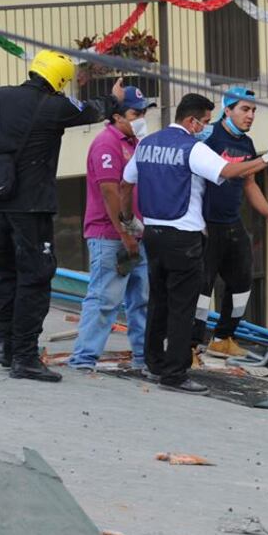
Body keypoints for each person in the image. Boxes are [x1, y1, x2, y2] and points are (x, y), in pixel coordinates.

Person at [0, 50, 125, 382]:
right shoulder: (55, 106)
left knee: (5, 272)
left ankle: (4, 347)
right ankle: (24, 357)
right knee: (35, 277)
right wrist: (114, 99)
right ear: (59, 81)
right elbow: (92, 110)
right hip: (30, 206)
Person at [120, 93, 268, 394]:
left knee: (158, 300)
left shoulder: (147, 144)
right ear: (192, 121)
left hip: (153, 234)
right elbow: (230, 172)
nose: (207, 128)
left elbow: (126, 184)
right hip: (184, 236)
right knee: (182, 306)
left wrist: (128, 219)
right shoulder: (191, 148)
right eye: (205, 122)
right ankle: (175, 374)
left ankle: (152, 363)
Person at [190, 87, 268, 359]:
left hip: (232, 221)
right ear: (227, 109)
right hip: (206, 224)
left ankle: (223, 337)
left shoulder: (246, 144)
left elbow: (249, 183)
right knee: (202, 289)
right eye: (245, 109)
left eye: (254, 110)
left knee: (243, 281)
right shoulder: (208, 137)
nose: (251, 115)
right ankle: (191, 347)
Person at [68, 86, 155, 373]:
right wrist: (126, 234)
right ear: (117, 116)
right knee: (105, 299)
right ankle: (84, 360)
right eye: (135, 113)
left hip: (135, 233)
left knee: (140, 301)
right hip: (111, 235)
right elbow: (110, 192)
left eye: (143, 112)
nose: (141, 118)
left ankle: (144, 359)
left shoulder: (134, 142)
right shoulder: (108, 144)